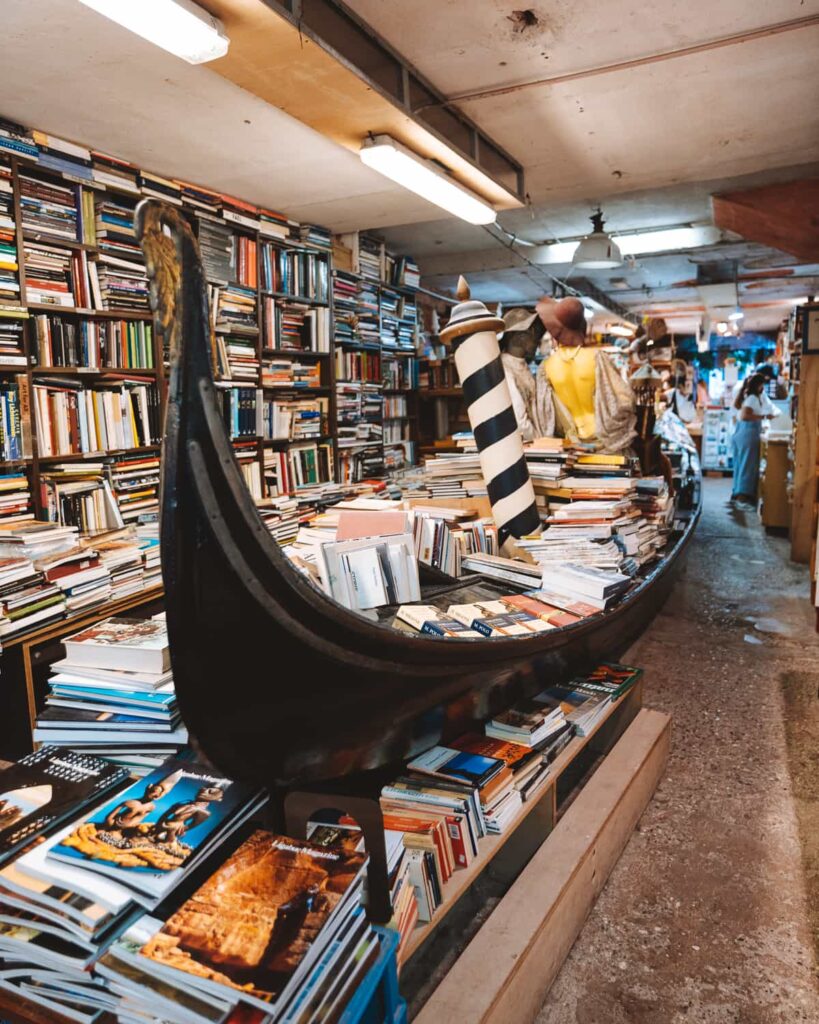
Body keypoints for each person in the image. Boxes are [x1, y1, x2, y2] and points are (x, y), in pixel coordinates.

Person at [535, 297, 636, 452]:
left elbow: (544, 415)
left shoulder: (546, 367)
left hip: (572, 445)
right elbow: (626, 400)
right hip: (604, 441)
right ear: (582, 327)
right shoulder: (596, 358)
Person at [499, 307, 552, 441]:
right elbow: (519, 421)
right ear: (518, 337)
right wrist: (541, 441)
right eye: (532, 332)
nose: (536, 339)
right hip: (528, 447)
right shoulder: (505, 369)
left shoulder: (521, 366)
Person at [729, 373, 775, 509]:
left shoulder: (747, 397)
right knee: (747, 466)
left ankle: (737, 493)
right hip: (748, 434)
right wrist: (765, 416)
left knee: (741, 465)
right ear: (759, 385)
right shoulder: (753, 399)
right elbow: (745, 415)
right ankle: (742, 496)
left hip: (741, 434)